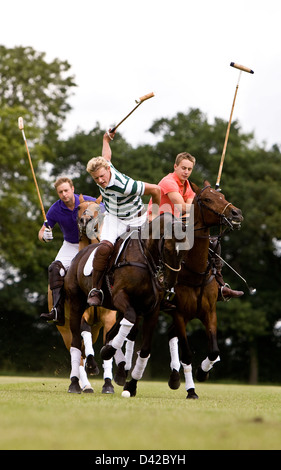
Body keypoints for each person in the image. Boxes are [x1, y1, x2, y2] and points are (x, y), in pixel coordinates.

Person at [86, 129, 161, 308]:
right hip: (114, 218)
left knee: (158, 247)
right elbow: (106, 156)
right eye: (96, 179)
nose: (101, 181)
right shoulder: (106, 167)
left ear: (107, 171)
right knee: (104, 249)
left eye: (102, 177)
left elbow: (156, 190)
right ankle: (96, 290)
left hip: (137, 219)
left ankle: (163, 285)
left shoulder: (127, 186)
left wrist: (155, 214)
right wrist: (106, 140)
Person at [155, 152, 244, 301]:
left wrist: (212, 198)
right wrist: (205, 203)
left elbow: (192, 205)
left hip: (178, 222)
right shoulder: (168, 182)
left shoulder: (188, 185)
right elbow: (184, 208)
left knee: (212, 242)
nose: (186, 172)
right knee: (177, 241)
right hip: (158, 223)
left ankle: (220, 285)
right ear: (175, 166)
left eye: (189, 169)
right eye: (183, 168)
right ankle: (164, 280)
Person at [39, 176, 103, 325]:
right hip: (70, 245)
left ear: (72, 189)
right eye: (60, 192)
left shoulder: (86, 200)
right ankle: (57, 310)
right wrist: (45, 236)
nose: (64, 194)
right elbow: (42, 230)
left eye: (66, 190)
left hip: (91, 244)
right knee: (55, 268)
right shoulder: (55, 209)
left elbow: (104, 208)